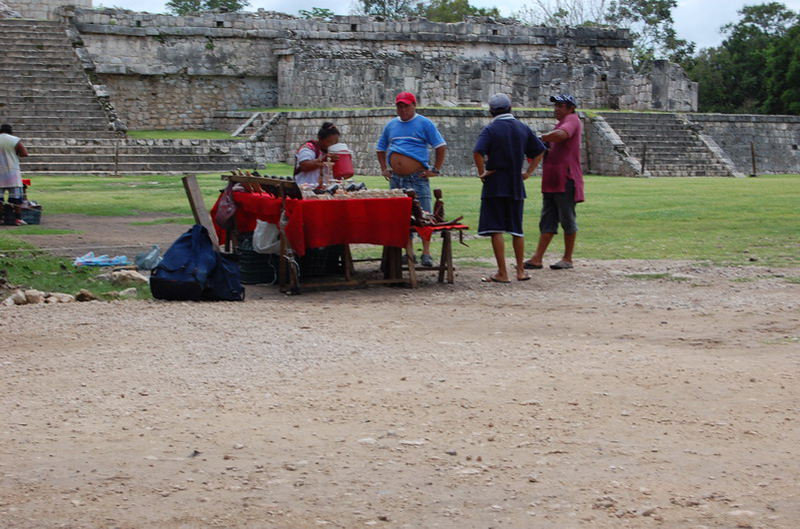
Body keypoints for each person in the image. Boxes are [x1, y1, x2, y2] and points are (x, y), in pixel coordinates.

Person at [473, 93, 546, 283]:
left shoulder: (491, 129)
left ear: (491, 111)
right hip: (515, 183)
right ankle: (520, 271)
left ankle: (502, 272)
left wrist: (482, 172)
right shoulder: (522, 128)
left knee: (496, 229)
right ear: (510, 108)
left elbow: (477, 151)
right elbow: (539, 151)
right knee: (516, 229)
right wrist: (528, 171)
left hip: (495, 182)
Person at [376, 91, 447, 267]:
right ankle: (409, 252)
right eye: (399, 106)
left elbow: (440, 146)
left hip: (417, 176)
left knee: (424, 214)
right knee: (401, 216)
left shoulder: (424, 123)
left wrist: (435, 169)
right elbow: (380, 147)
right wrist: (384, 168)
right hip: (396, 178)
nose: (402, 109)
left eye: (406, 106)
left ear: (414, 105)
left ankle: (427, 253)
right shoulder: (391, 125)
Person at [524, 94, 585, 270]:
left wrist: (542, 137)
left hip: (566, 179)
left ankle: (568, 258)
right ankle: (537, 258)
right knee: (547, 220)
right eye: (556, 105)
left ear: (571, 108)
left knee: (567, 219)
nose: (556, 109)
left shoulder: (572, 120)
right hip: (552, 181)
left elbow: (561, 135)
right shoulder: (560, 124)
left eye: (561, 105)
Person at [0, 124, 29, 226]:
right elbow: (24, 153)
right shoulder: (14, 140)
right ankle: (18, 219)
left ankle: (0, 219)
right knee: (16, 198)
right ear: (11, 132)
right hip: (12, 172)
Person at [294, 122, 340, 187]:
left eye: (336, 142)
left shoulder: (331, 152)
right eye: (329, 142)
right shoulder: (309, 148)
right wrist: (323, 160)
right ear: (320, 139)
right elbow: (304, 166)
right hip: (305, 188)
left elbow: (341, 175)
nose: (333, 145)